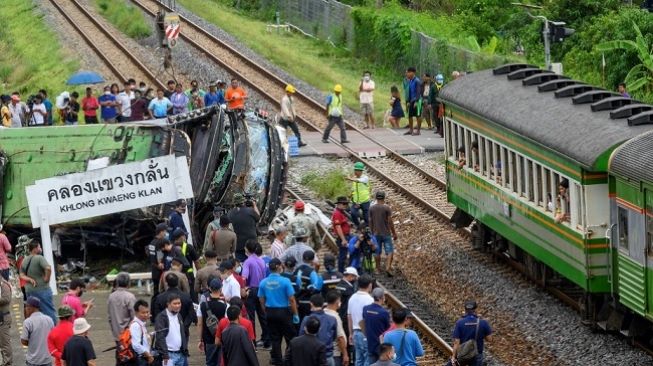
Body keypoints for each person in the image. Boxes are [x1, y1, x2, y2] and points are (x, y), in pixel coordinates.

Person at [258, 258, 299, 366]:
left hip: (270, 311)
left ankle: (277, 361)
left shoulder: (263, 282)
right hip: (284, 311)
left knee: (275, 338)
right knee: (290, 337)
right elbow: (292, 299)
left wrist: (265, 310)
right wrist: (295, 314)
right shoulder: (285, 281)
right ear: (278, 267)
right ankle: (289, 359)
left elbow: (261, 300)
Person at [19, 239, 57, 324]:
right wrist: (47, 278)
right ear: (35, 248)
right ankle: (53, 331)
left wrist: (29, 279)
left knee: (33, 313)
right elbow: (48, 268)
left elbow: (21, 274)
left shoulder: (25, 260)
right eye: (39, 247)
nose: (40, 248)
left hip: (30, 291)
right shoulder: (39, 258)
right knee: (49, 311)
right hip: (42, 289)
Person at [447, 300, 493, 366]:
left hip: (463, 354)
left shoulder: (460, 323)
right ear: (475, 309)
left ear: (465, 310)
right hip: (477, 355)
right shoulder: (483, 322)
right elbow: (490, 339)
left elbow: (456, 342)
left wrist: (453, 357)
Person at [242, 240, 269, 349]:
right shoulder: (261, 260)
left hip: (251, 290)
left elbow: (244, 277)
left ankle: (252, 342)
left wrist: (244, 288)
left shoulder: (248, 262)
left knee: (251, 317)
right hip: (261, 289)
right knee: (262, 315)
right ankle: (267, 340)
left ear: (247, 249)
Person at [299, 294, 337, 365]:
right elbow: (334, 337)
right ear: (323, 304)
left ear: (311, 304)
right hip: (327, 356)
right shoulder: (332, 319)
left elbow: (301, 337)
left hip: (311, 357)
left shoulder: (306, 319)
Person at [198, 279, 227, 366]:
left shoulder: (202, 305)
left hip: (208, 339)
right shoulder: (225, 305)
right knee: (221, 362)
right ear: (221, 288)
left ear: (209, 289)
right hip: (222, 338)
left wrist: (200, 340)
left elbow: (200, 324)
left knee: (210, 362)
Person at [154, 294, 188, 366]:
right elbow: (160, 337)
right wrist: (165, 354)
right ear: (168, 304)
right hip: (168, 355)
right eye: (174, 303)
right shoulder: (161, 317)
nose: (177, 306)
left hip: (180, 354)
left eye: (179, 303)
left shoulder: (179, 315)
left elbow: (182, 333)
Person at [369, 191, 398, 276]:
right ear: (384, 198)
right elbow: (390, 221)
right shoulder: (386, 208)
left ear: (376, 198)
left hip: (375, 233)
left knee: (377, 252)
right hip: (386, 233)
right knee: (390, 251)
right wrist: (394, 233)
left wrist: (371, 233)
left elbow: (370, 221)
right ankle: (388, 267)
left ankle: (377, 269)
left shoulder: (371, 208)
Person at [348, 274, 374, 366]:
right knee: (368, 359)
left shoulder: (352, 298)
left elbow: (349, 317)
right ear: (370, 285)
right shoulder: (370, 300)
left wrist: (350, 333)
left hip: (355, 332)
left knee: (358, 360)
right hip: (366, 333)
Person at [21, 296, 54, 366]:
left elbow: (23, 341)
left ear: (30, 307)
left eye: (26, 306)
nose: (25, 309)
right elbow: (52, 337)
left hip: (33, 361)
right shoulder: (49, 319)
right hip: (47, 359)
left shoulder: (28, 322)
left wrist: (33, 343)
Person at [228, 193, 260, 262]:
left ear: (234, 203)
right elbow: (258, 217)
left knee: (241, 264)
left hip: (239, 244)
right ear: (243, 201)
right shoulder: (250, 211)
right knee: (254, 261)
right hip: (251, 243)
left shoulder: (230, 213)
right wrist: (254, 205)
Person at [363, 288, 391, 364]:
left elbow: (364, 321)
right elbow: (388, 329)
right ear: (381, 298)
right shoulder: (384, 312)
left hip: (370, 344)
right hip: (380, 346)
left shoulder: (365, 309)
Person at [172, 228, 200, 302]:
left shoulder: (170, 248)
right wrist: (199, 274)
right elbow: (197, 261)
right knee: (193, 296)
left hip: (174, 276)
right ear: (181, 237)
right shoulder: (189, 247)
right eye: (184, 235)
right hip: (188, 276)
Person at [107, 272, 136, 341]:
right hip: (128, 333)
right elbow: (134, 316)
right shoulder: (130, 297)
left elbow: (109, 317)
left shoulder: (111, 296)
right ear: (128, 283)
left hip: (116, 331)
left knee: (119, 350)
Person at [324, 290, 349, 366]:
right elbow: (340, 338)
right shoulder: (335, 317)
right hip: (335, 353)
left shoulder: (322, 313)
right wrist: (345, 354)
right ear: (337, 302)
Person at [130, 300, 155, 366]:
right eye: (143, 313)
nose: (146, 315)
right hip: (140, 359)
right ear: (136, 312)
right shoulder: (136, 325)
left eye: (147, 312)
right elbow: (136, 345)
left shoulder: (141, 323)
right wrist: (149, 356)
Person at [335, 267, 358, 339]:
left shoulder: (338, 285)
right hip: (345, 315)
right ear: (350, 276)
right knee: (347, 334)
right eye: (354, 277)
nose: (355, 279)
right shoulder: (349, 288)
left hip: (339, 313)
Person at [331, 196, 352, 273]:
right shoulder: (337, 213)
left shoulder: (341, 212)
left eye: (346, 204)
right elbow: (338, 227)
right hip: (343, 237)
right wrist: (343, 239)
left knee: (345, 253)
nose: (345, 205)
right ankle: (341, 271)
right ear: (339, 204)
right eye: (344, 204)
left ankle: (344, 270)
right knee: (342, 255)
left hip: (346, 235)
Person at [148, 223, 168, 301]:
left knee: (156, 293)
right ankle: (156, 310)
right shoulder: (160, 243)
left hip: (154, 271)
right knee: (160, 294)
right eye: (165, 231)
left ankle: (153, 311)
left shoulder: (152, 242)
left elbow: (150, 257)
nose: (166, 233)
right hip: (160, 272)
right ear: (161, 232)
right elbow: (160, 258)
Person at [348, 162, 371, 228]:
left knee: (367, 217)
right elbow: (354, 188)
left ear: (361, 171)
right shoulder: (354, 178)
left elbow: (359, 180)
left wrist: (350, 179)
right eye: (355, 170)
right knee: (353, 213)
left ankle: (368, 229)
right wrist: (350, 195)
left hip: (365, 201)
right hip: (356, 202)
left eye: (357, 170)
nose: (355, 172)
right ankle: (358, 226)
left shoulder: (365, 178)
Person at [403, 67, 422, 136]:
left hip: (417, 100)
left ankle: (418, 131)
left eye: (408, 72)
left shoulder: (417, 81)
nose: (407, 74)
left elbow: (418, 92)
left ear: (412, 73)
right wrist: (408, 101)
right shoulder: (410, 81)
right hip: (411, 100)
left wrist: (416, 101)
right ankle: (411, 130)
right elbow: (409, 92)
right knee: (410, 115)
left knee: (418, 115)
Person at [0, 278, 12, 365]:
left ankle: (7, 363)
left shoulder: (4, 285)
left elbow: (6, 299)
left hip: (3, 318)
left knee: (4, 343)